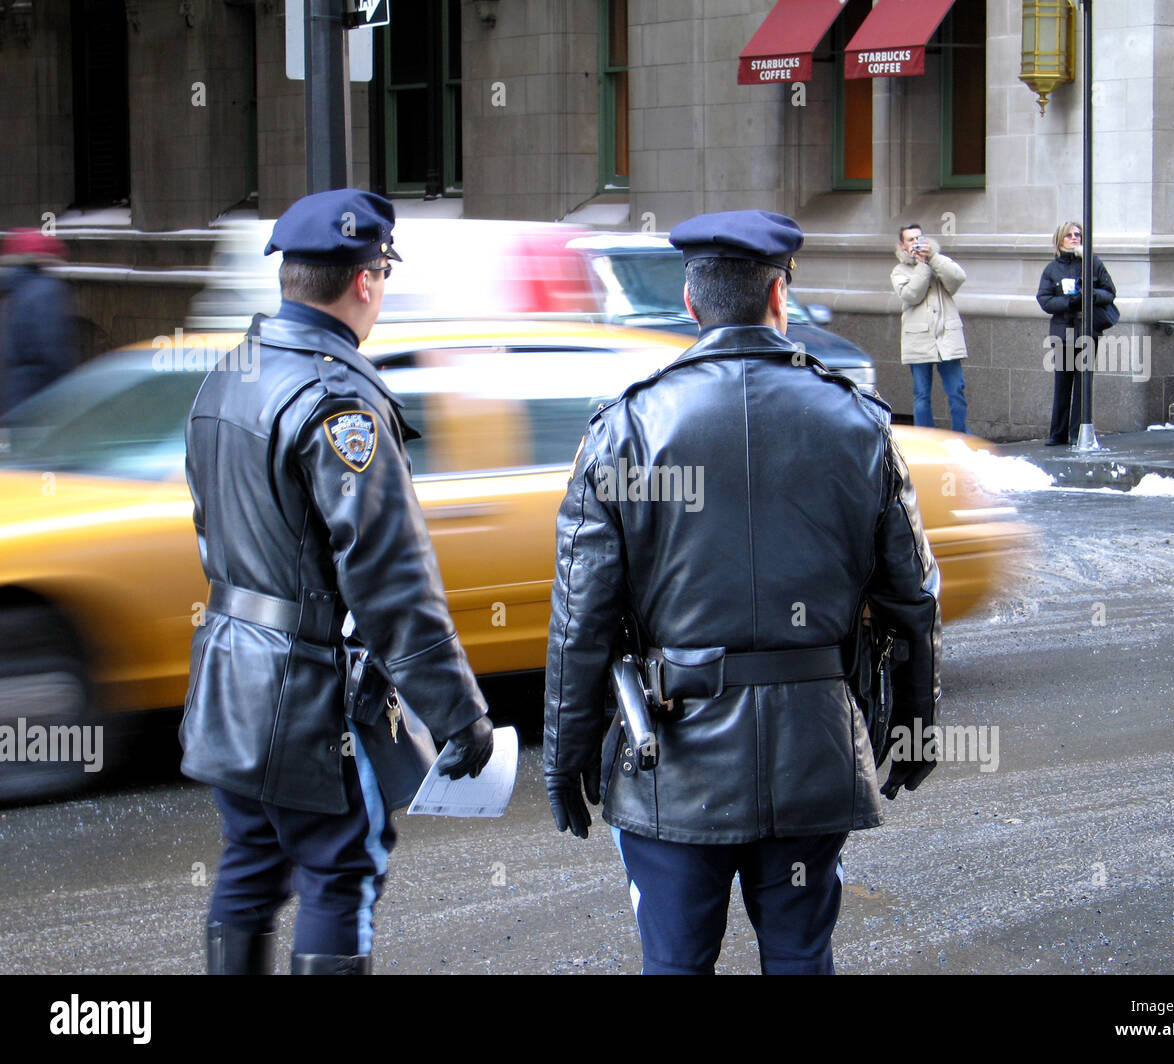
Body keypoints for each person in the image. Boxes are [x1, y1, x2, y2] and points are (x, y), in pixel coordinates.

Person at [543, 209, 942, 975]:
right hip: (812, 749)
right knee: (799, 954)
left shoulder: (626, 428)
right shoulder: (860, 424)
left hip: (675, 757)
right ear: (779, 297)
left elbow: (580, 619)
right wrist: (917, 720)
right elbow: (911, 598)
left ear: (691, 304)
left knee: (679, 964)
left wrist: (564, 760)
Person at [183, 188, 494, 975]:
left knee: (250, 865)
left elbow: (211, 524)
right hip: (308, 697)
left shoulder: (228, 378)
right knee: (340, 872)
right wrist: (457, 712)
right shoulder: (341, 404)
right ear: (366, 280)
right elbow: (392, 582)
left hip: (229, 677)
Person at [1036, 221, 1117, 446]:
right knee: (1062, 384)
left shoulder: (1092, 262)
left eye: (1078, 235)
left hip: (1087, 330)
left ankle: (1078, 433)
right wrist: (1069, 302)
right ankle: (1058, 433)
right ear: (1060, 240)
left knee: (1083, 384)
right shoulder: (1052, 270)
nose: (1074, 238)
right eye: (1069, 235)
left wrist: (1090, 295)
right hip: (1063, 332)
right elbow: (1045, 299)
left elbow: (1110, 292)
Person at [891, 223, 968, 433]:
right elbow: (911, 295)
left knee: (956, 390)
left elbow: (958, 278)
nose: (916, 243)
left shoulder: (938, 261)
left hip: (946, 337)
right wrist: (923, 266)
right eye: (911, 239)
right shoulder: (899, 271)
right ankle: (926, 438)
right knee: (922, 394)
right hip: (919, 340)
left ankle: (961, 435)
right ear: (903, 245)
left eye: (919, 238)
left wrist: (933, 258)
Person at [0, 228, 76, 415]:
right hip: (40, 393)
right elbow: (53, 345)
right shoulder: (46, 290)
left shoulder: (14, 291)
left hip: (14, 393)